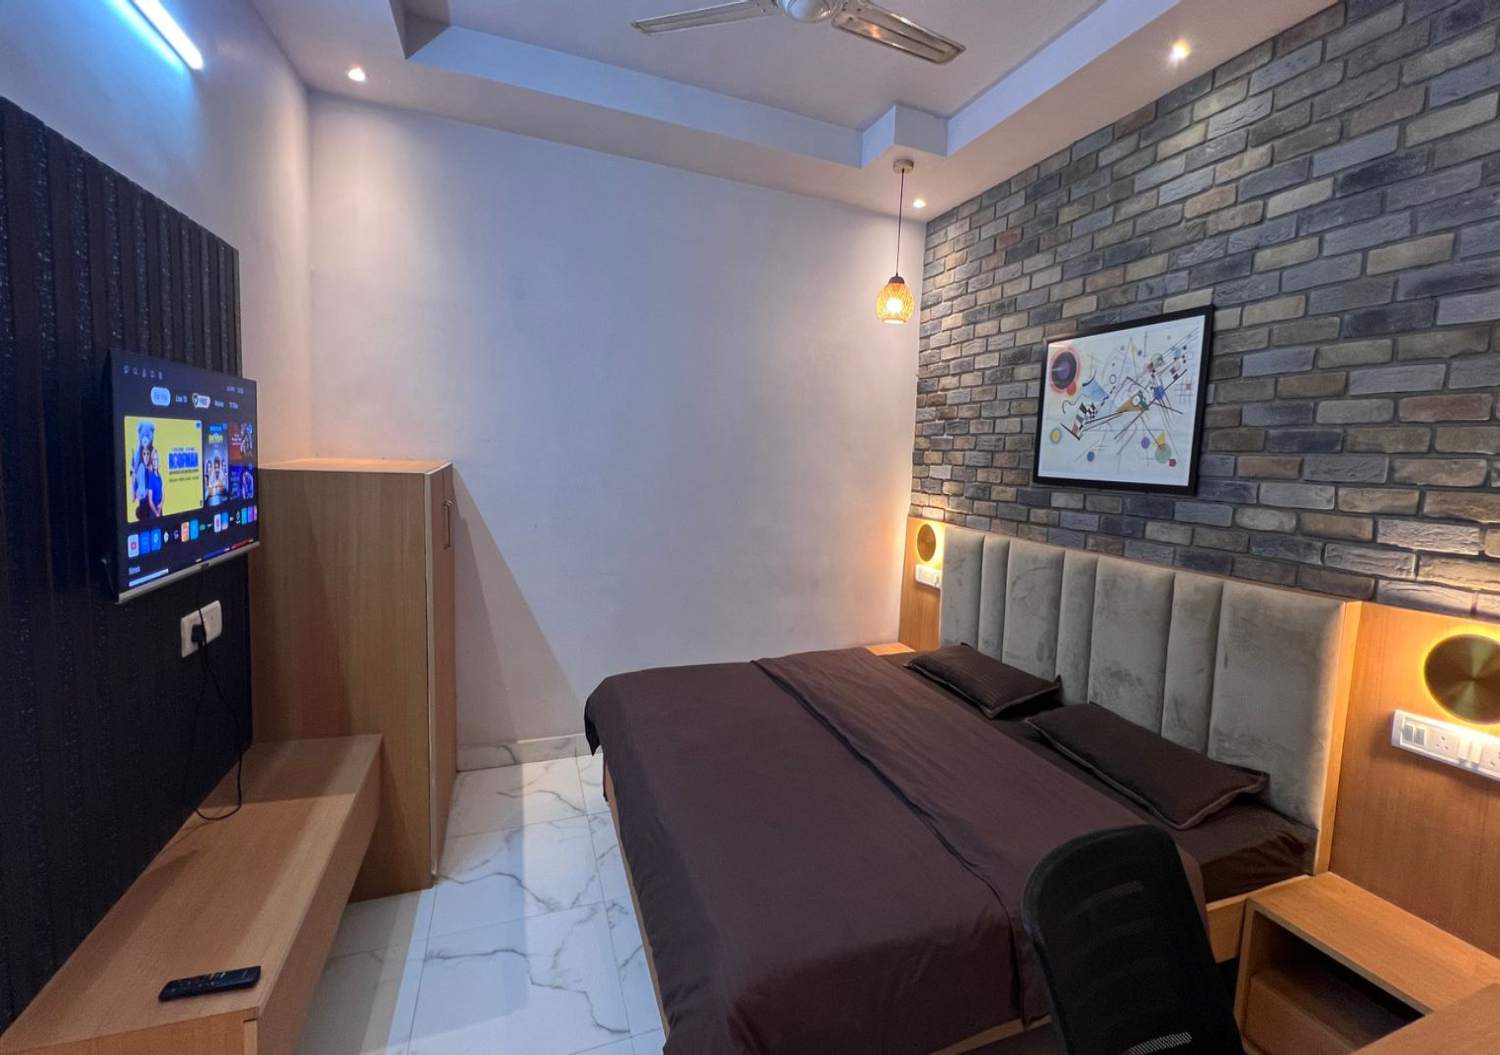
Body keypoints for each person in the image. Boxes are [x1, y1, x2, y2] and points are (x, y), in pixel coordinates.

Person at [131, 421, 162, 521]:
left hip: (154, 498)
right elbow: (134, 475)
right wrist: (134, 489)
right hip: (143, 496)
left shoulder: (154, 453)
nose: (145, 439)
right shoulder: (137, 455)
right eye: (143, 436)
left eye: (147, 436)